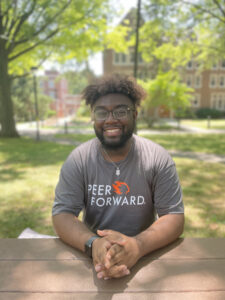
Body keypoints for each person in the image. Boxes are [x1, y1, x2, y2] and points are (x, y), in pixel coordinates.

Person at [52, 74, 184, 280]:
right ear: (93, 117)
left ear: (135, 115)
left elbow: (174, 216)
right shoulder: (79, 159)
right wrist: (93, 244)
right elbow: (63, 214)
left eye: (121, 111)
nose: (111, 119)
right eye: (102, 112)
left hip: (147, 256)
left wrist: (137, 246)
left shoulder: (157, 157)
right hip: (93, 259)